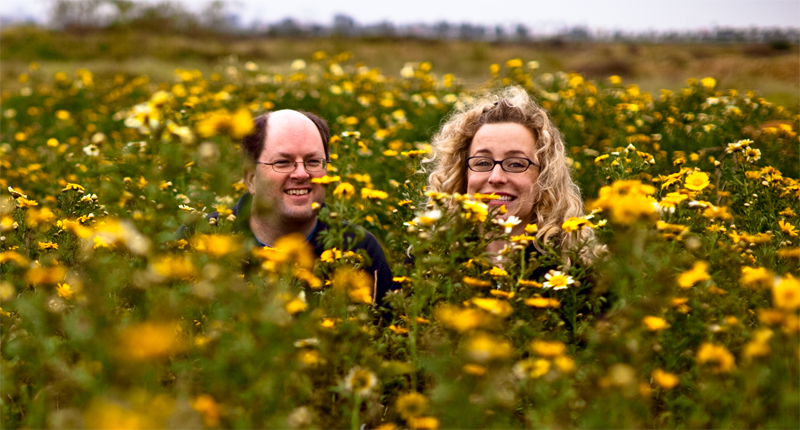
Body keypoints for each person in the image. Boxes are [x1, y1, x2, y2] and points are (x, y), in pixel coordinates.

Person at [204, 110, 395, 305]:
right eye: (283, 162)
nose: (302, 174)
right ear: (251, 178)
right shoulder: (201, 241)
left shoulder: (359, 249)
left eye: (313, 161)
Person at [423, 86, 601, 266]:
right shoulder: (429, 263)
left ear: (545, 178)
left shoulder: (576, 271)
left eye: (516, 164)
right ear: (463, 174)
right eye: (483, 163)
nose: (496, 177)